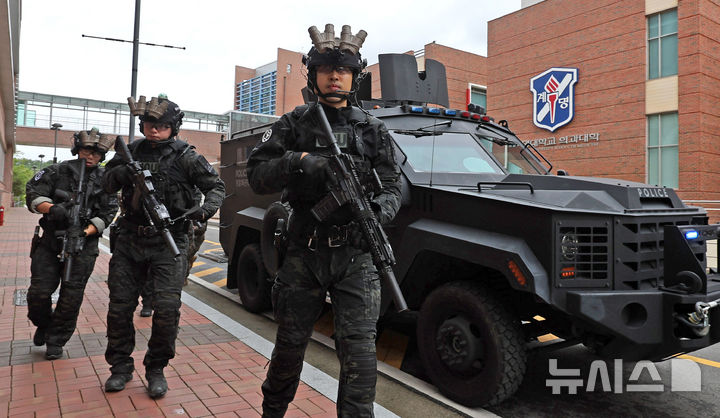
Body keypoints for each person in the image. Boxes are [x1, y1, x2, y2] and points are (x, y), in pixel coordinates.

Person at [247, 24, 402, 417]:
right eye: (328, 70)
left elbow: (395, 184)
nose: (336, 77)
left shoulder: (372, 129)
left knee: (360, 358)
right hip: (305, 251)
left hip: (356, 253)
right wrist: (299, 162)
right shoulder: (294, 123)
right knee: (289, 347)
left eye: (345, 71)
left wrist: (379, 212)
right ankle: (273, 411)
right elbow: (257, 175)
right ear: (314, 74)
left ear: (354, 77)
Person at [101, 95, 225, 398]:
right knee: (119, 308)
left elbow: (216, 188)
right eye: (148, 124)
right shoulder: (129, 152)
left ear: (173, 127)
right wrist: (123, 172)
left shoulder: (187, 157)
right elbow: (106, 184)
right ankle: (120, 367)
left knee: (167, 310)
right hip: (130, 240)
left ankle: (156, 367)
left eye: (161, 125)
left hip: (170, 241)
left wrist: (204, 210)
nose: (154, 130)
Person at [25, 129, 118, 360]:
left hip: (82, 246)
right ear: (78, 149)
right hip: (49, 243)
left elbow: (109, 212)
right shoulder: (57, 171)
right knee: (38, 293)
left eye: (96, 153)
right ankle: (44, 324)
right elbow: (33, 193)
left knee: (71, 298)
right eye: (87, 150)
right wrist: (52, 208)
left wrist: (85, 232)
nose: (91, 156)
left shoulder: (106, 180)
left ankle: (56, 340)